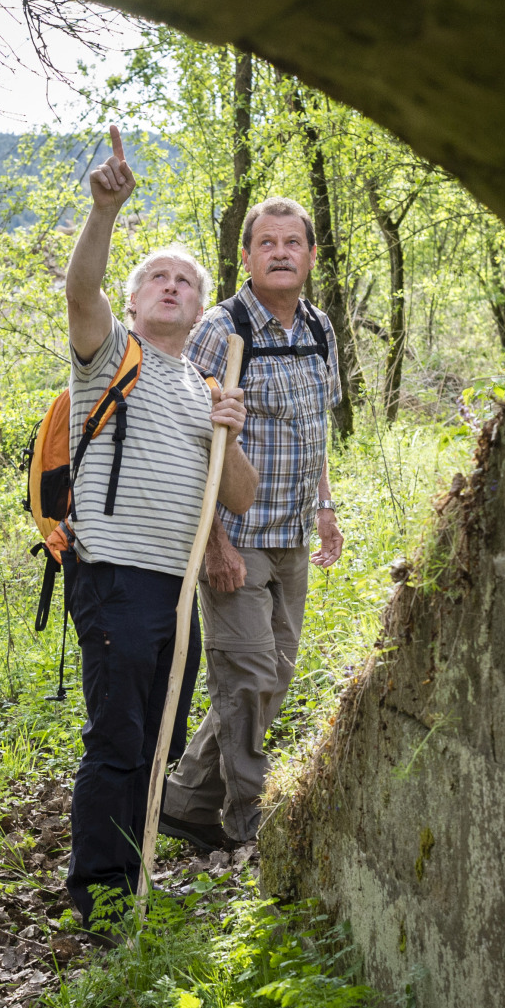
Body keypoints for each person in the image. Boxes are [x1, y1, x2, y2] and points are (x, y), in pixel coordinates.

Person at [61, 127, 257, 930]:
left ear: (202, 305)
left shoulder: (205, 384)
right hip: (115, 577)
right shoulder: (111, 356)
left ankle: (134, 874)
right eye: (158, 278)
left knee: (160, 741)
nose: (171, 287)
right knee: (118, 740)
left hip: (176, 593)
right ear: (136, 299)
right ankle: (103, 900)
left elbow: (237, 496)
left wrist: (231, 429)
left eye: (186, 280)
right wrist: (105, 212)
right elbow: (80, 289)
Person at [162, 197, 346, 850]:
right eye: (265, 243)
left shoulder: (319, 329)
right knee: (247, 677)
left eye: (292, 242)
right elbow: (190, 442)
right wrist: (213, 539)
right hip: (236, 537)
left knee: (277, 674)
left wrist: (326, 509)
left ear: (310, 254)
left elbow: (315, 428)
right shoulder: (222, 331)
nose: (280, 252)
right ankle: (249, 820)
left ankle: (183, 800)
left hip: (293, 531)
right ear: (246, 256)